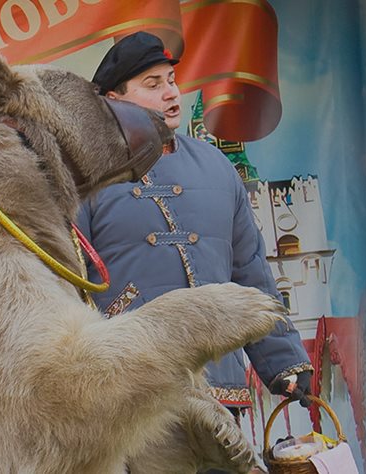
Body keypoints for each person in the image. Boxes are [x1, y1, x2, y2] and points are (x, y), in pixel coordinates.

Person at [78, 31, 313, 424]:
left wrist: (284, 359)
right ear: (112, 100)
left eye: (171, 81)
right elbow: (67, 282)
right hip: (130, 393)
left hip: (220, 384)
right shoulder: (85, 176)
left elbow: (250, 271)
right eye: (153, 85)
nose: (171, 93)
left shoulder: (216, 166)